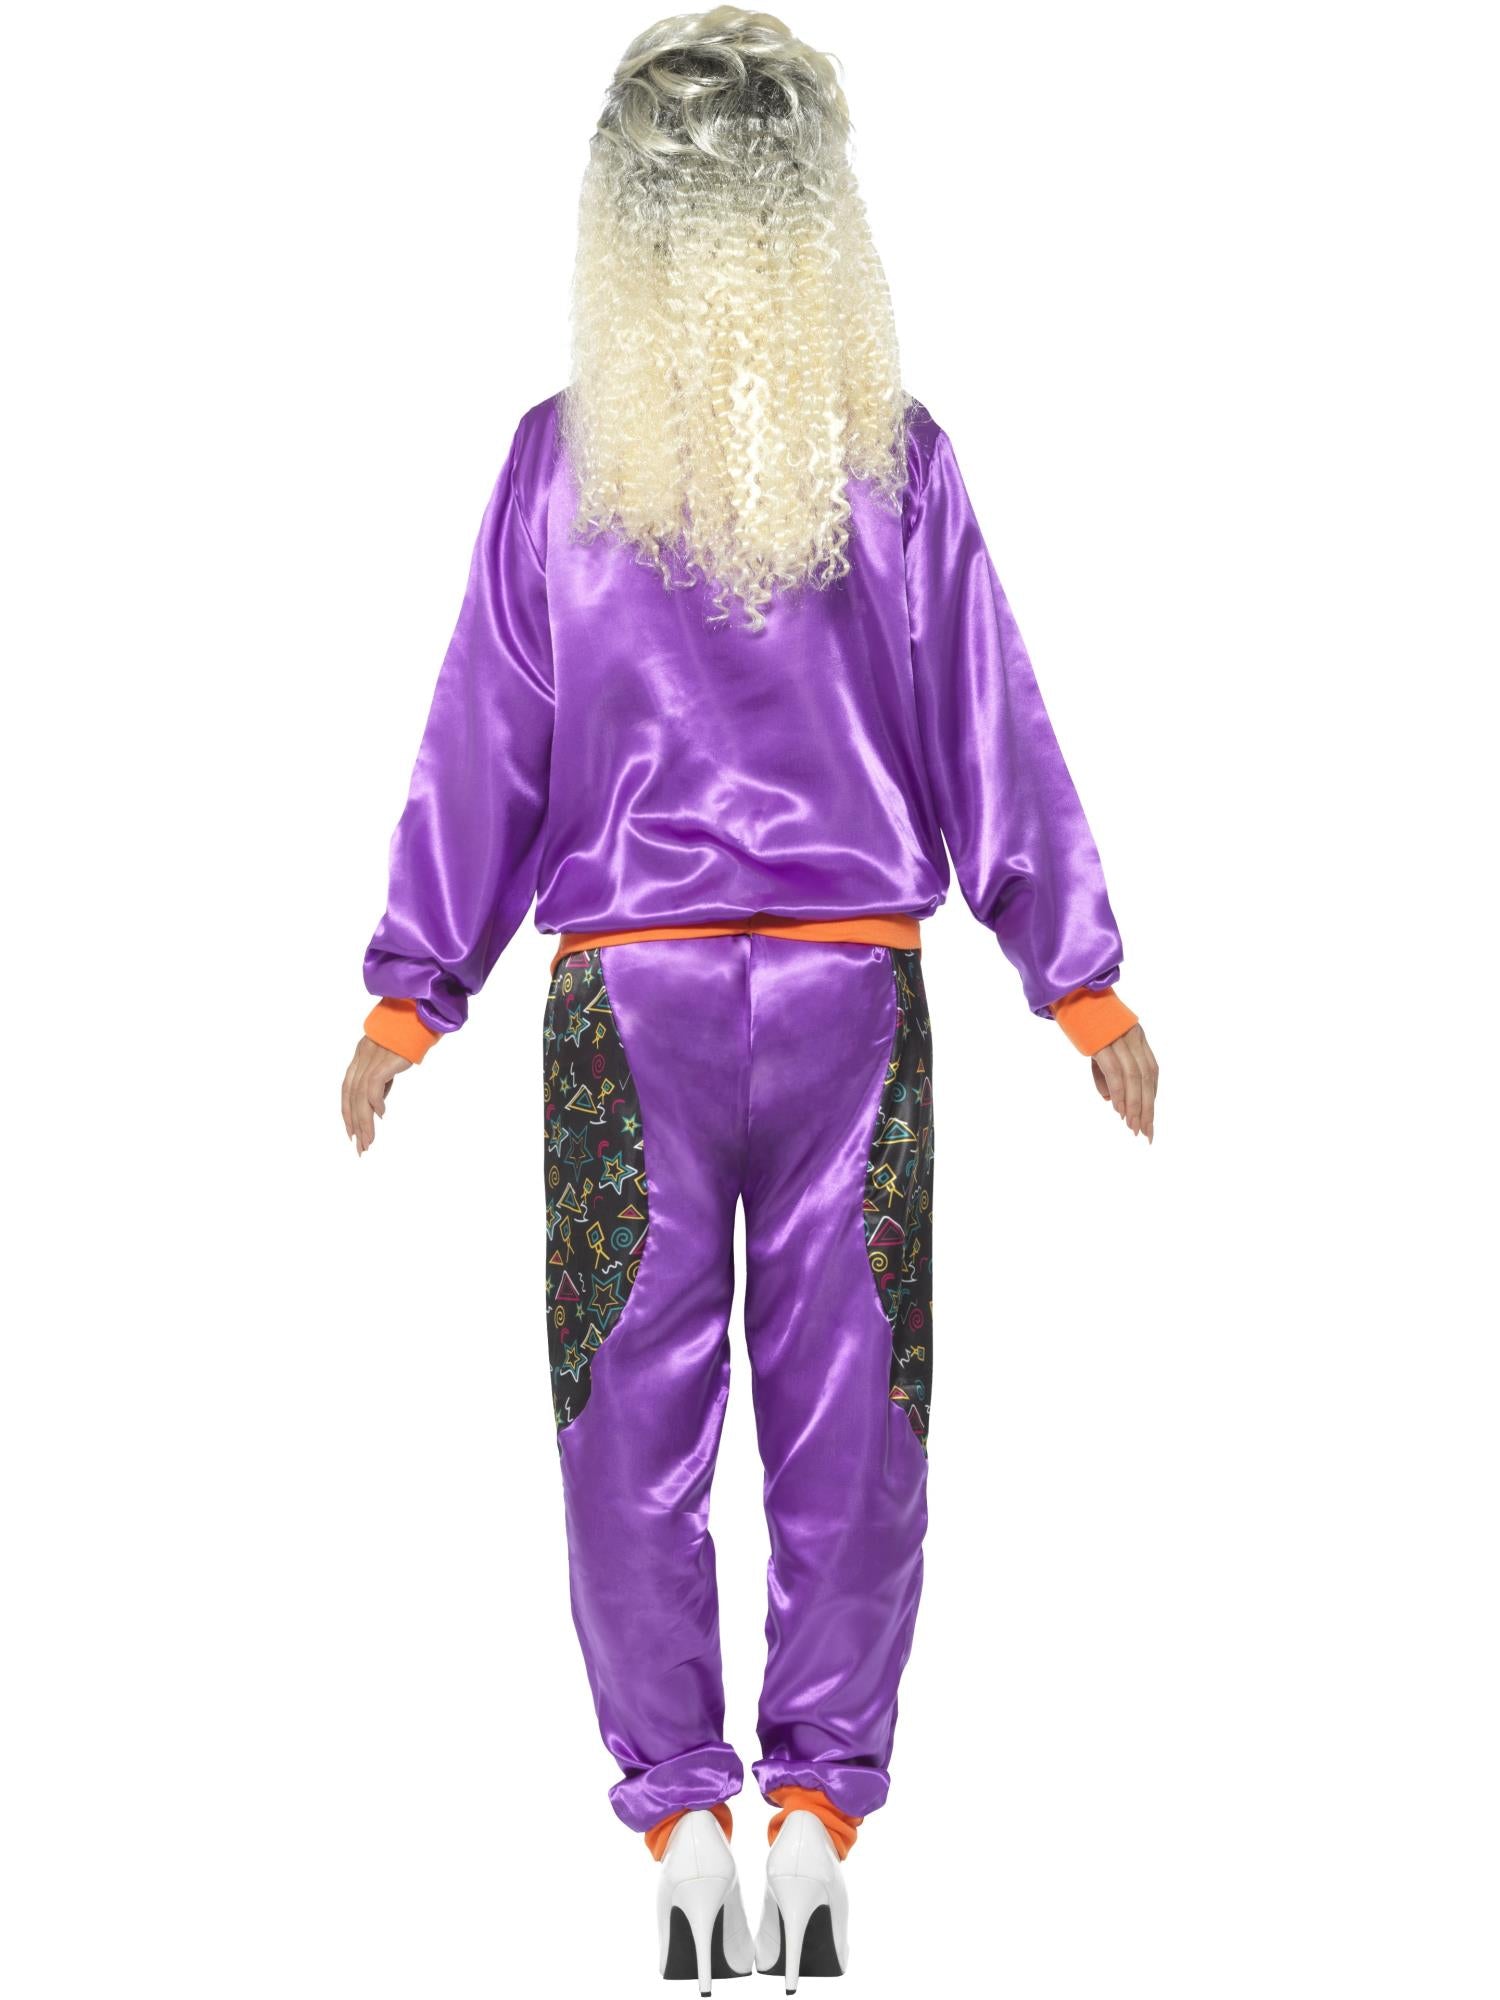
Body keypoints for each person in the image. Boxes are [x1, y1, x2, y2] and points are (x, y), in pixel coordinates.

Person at [341, 8, 1158, 1989]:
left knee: (625, 1411)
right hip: (843, 1006)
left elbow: (488, 744)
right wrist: (1078, 981)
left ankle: (692, 1820)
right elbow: (985, 726)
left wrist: (412, 991)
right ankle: (807, 1814)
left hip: (631, 1011)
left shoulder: (570, 467)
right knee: (855, 1405)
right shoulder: (885, 463)